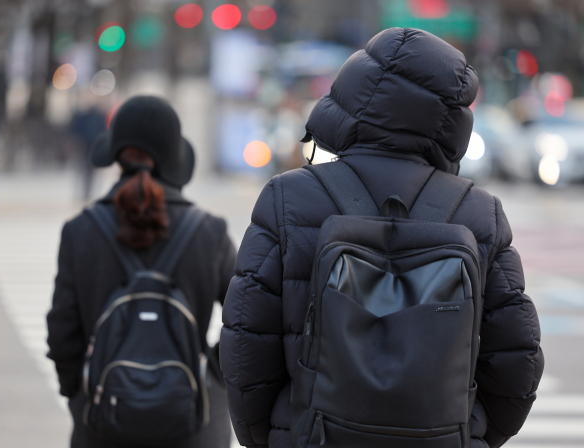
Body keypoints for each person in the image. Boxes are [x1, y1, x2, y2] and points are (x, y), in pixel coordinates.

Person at [220, 28, 543, 448]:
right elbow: (517, 364)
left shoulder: (288, 199)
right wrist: (468, 433)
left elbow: (245, 343)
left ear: (352, 96)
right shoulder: (479, 214)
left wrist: (274, 435)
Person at [47, 96, 236, 448]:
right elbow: (250, 318)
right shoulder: (209, 232)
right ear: (174, 158)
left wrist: (80, 393)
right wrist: (212, 373)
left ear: (117, 154)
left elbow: (62, 332)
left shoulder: (80, 231)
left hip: (104, 423)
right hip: (193, 425)